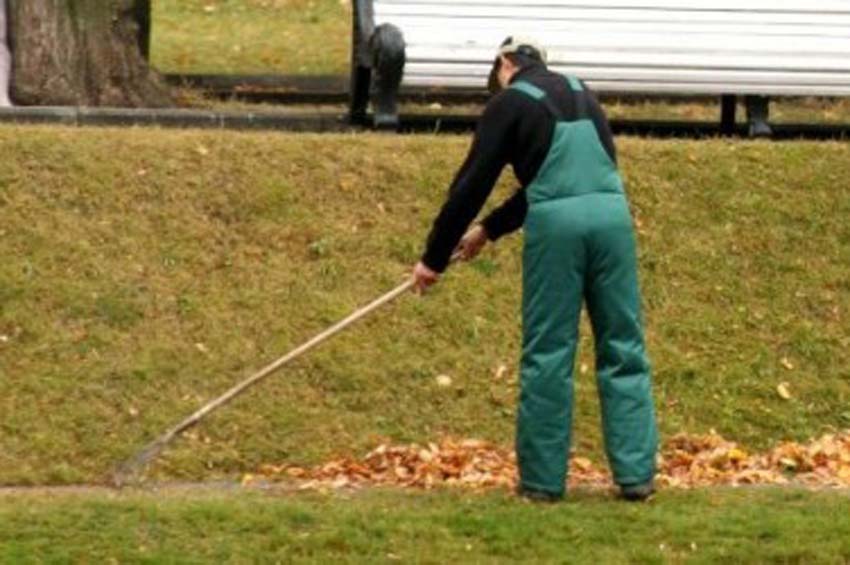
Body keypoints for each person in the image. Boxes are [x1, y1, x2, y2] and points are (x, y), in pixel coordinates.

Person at [411, 36, 658, 501]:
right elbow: (567, 178)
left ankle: (543, 484)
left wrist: (433, 259)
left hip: (558, 230)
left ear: (505, 64)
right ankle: (637, 476)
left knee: (550, 351)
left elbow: (470, 184)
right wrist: (489, 230)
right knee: (623, 344)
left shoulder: (508, 104)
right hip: (613, 222)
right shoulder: (582, 92)